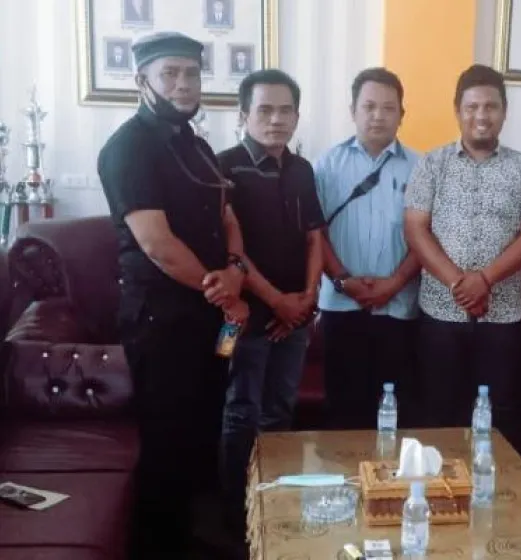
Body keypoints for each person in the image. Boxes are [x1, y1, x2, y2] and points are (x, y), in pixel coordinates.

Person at [96, 32, 250, 559]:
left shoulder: (198, 146)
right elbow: (158, 245)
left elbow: (228, 216)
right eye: (170, 74)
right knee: (167, 441)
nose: (183, 84)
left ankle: (199, 537)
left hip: (209, 316)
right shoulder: (127, 148)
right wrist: (225, 293)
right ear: (142, 80)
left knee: (205, 428)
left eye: (191, 73)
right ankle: (159, 548)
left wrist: (235, 269)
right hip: (161, 321)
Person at [404, 64, 521, 446]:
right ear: (457, 110)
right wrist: (459, 284)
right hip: (441, 311)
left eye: (491, 106)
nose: (481, 115)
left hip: (502, 314)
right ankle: (440, 483)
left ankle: (492, 482)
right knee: (439, 411)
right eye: (472, 107)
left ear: (504, 111)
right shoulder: (432, 163)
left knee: (499, 413)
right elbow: (416, 228)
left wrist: (484, 280)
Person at [217, 69, 325, 541]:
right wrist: (277, 301)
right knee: (240, 411)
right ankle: (233, 515)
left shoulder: (302, 170)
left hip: (294, 315)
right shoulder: (223, 168)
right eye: (265, 109)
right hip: (243, 317)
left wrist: (308, 298)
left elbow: (315, 237)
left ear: (297, 117)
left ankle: (273, 506)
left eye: (285, 110)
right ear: (243, 114)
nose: (276, 119)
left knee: (280, 410)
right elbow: (232, 252)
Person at [315, 67, 421, 430]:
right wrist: (343, 280)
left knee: (398, 411)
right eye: (369, 106)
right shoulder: (326, 165)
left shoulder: (422, 167)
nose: (378, 115)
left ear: (401, 114)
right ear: (353, 110)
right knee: (344, 411)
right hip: (341, 305)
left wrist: (395, 283)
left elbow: (427, 236)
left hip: (399, 307)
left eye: (388, 108)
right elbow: (315, 234)